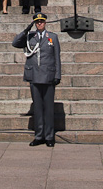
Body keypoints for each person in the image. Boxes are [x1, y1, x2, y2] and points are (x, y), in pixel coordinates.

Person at [12, 12, 61, 147]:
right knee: (38, 108)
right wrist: (26, 30)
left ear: (45, 23)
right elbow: (15, 43)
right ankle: (39, 135)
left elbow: (57, 57)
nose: (39, 24)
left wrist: (58, 75)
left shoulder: (52, 37)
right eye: (37, 22)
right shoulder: (29, 37)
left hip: (48, 76)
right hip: (34, 76)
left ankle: (50, 136)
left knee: (49, 108)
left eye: (41, 22)